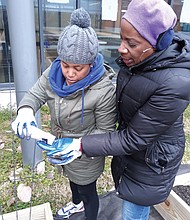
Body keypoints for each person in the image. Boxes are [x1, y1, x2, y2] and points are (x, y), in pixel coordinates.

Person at [36, 0, 190, 219]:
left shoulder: (175, 83)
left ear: (158, 42)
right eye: (121, 39)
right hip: (131, 155)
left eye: (131, 43)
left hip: (152, 162)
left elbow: (133, 138)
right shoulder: (140, 60)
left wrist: (80, 144)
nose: (121, 48)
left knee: (132, 212)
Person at [12, 8, 116, 220]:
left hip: (86, 154)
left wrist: (78, 145)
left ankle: (90, 215)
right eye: (66, 65)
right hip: (61, 149)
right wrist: (25, 110)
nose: (69, 73)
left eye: (78, 68)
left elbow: (105, 131)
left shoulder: (104, 89)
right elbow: (35, 93)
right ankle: (76, 204)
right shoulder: (54, 72)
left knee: (87, 191)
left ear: (91, 63)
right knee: (72, 183)